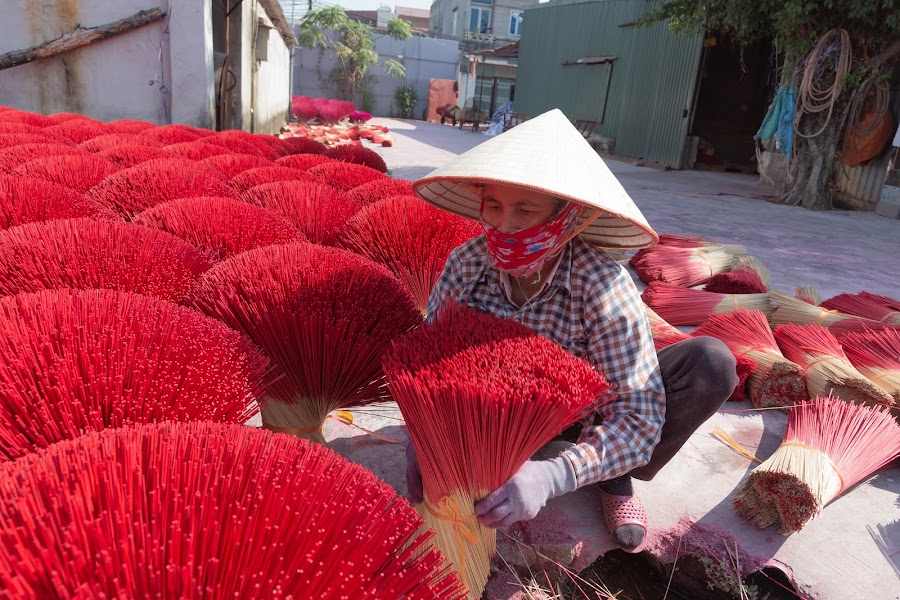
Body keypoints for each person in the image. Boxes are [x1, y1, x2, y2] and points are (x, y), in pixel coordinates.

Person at [407, 109, 738, 553]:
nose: (504, 227)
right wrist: (420, 435)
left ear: (570, 218)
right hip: (496, 412)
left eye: (525, 210)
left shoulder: (602, 285)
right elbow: (426, 364)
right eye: (494, 206)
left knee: (710, 364)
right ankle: (516, 456)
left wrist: (551, 475)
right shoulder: (467, 264)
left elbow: (638, 421)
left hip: (586, 412)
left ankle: (612, 477)